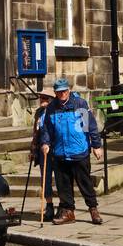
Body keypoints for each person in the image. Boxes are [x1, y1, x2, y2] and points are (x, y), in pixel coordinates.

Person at [39, 77, 104, 225]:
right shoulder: (51, 108)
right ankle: (68, 213)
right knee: (64, 186)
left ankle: (93, 210)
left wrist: (96, 145)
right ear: (55, 92)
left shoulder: (80, 104)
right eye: (59, 92)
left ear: (69, 90)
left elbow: (91, 126)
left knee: (85, 183)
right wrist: (45, 143)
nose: (62, 94)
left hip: (79, 150)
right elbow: (47, 130)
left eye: (64, 91)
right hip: (60, 152)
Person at [29, 85, 57, 222]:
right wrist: (33, 149)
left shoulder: (56, 111)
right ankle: (49, 206)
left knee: (60, 179)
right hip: (42, 150)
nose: (42, 100)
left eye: (45, 98)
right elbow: (35, 132)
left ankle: (64, 207)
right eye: (41, 97)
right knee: (45, 179)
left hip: (56, 149)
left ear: (52, 99)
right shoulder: (39, 112)